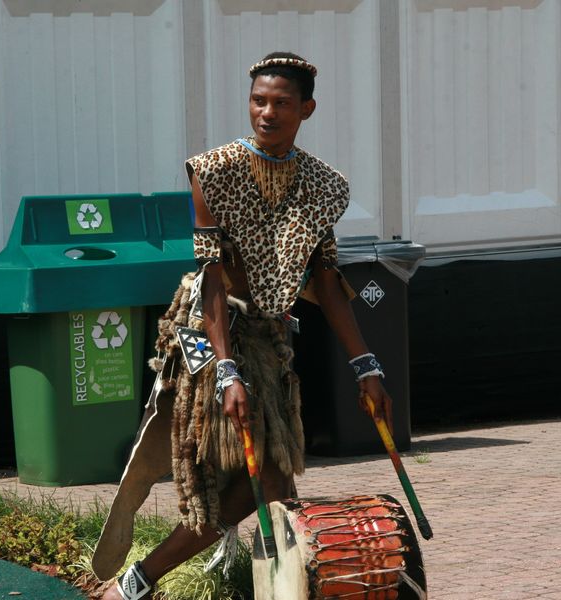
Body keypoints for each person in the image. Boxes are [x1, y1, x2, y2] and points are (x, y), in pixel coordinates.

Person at [96, 51, 395, 600]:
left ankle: (137, 583)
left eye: (282, 103)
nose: (267, 112)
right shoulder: (213, 171)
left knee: (272, 478)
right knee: (233, 478)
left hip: (269, 335)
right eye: (259, 101)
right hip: (207, 331)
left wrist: (365, 366)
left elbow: (326, 281)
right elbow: (211, 277)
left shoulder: (323, 185)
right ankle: (137, 583)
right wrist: (227, 370)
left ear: (307, 109)